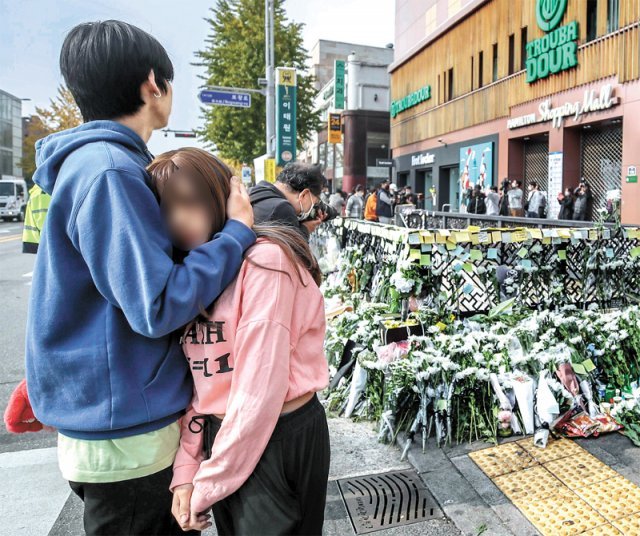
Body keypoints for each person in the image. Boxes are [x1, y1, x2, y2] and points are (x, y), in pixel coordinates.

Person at [20, 21, 256, 536]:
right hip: (125, 433)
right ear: (154, 83)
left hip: (111, 417)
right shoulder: (110, 171)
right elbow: (157, 305)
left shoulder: (102, 164)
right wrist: (236, 235)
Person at [146, 150, 330, 535]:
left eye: (189, 202)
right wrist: (186, 472)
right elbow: (201, 386)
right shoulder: (192, 274)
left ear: (220, 197)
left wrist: (205, 484)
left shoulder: (264, 261)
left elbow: (259, 392)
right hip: (225, 439)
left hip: (276, 435)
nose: (178, 219)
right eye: (166, 209)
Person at [250, 162, 326, 239]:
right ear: (304, 195)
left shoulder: (255, 193)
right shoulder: (281, 209)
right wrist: (306, 229)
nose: (312, 207)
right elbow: (294, 249)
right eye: (314, 202)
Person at [22, 184, 51, 253]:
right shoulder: (69, 186)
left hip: (44, 245)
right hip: (68, 245)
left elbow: (30, 223)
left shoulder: (34, 194)